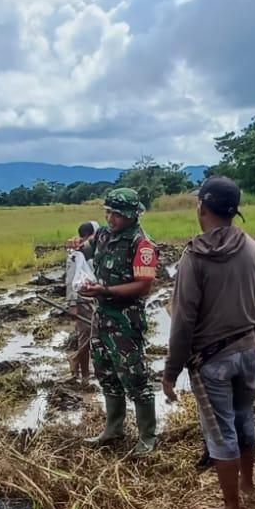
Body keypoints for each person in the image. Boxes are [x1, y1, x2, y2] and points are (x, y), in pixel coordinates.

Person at [162, 176, 255, 509]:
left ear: (202, 208)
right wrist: (252, 339)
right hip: (247, 350)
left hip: (212, 360)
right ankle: (247, 486)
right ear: (234, 211)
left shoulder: (195, 256)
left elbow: (183, 320)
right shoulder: (253, 248)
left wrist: (170, 371)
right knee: (244, 419)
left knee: (221, 433)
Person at [73, 188, 159, 456]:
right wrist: (76, 246)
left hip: (125, 319)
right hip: (102, 316)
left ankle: (147, 436)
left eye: (118, 214)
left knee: (134, 376)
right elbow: (87, 252)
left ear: (133, 215)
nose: (111, 218)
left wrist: (105, 290)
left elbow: (143, 286)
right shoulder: (103, 235)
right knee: (106, 372)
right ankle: (114, 429)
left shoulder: (142, 244)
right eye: (108, 212)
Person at [65, 221, 99, 385]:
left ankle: (81, 367)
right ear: (89, 235)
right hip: (82, 300)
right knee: (87, 335)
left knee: (93, 334)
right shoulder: (76, 253)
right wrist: (72, 303)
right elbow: (71, 279)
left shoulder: (94, 250)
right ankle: (82, 369)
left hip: (95, 298)